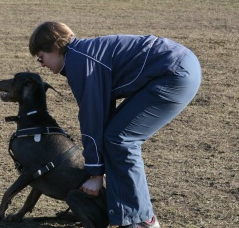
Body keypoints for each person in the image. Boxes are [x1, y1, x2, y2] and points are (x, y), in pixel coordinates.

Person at [29, 22, 201, 228]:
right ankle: (127, 215)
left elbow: (92, 119)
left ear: (55, 47)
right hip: (178, 66)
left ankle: (141, 221)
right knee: (115, 135)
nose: (42, 65)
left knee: (121, 139)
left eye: (41, 57)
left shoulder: (80, 62)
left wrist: (95, 174)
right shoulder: (79, 56)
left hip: (174, 74)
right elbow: (102, 115)